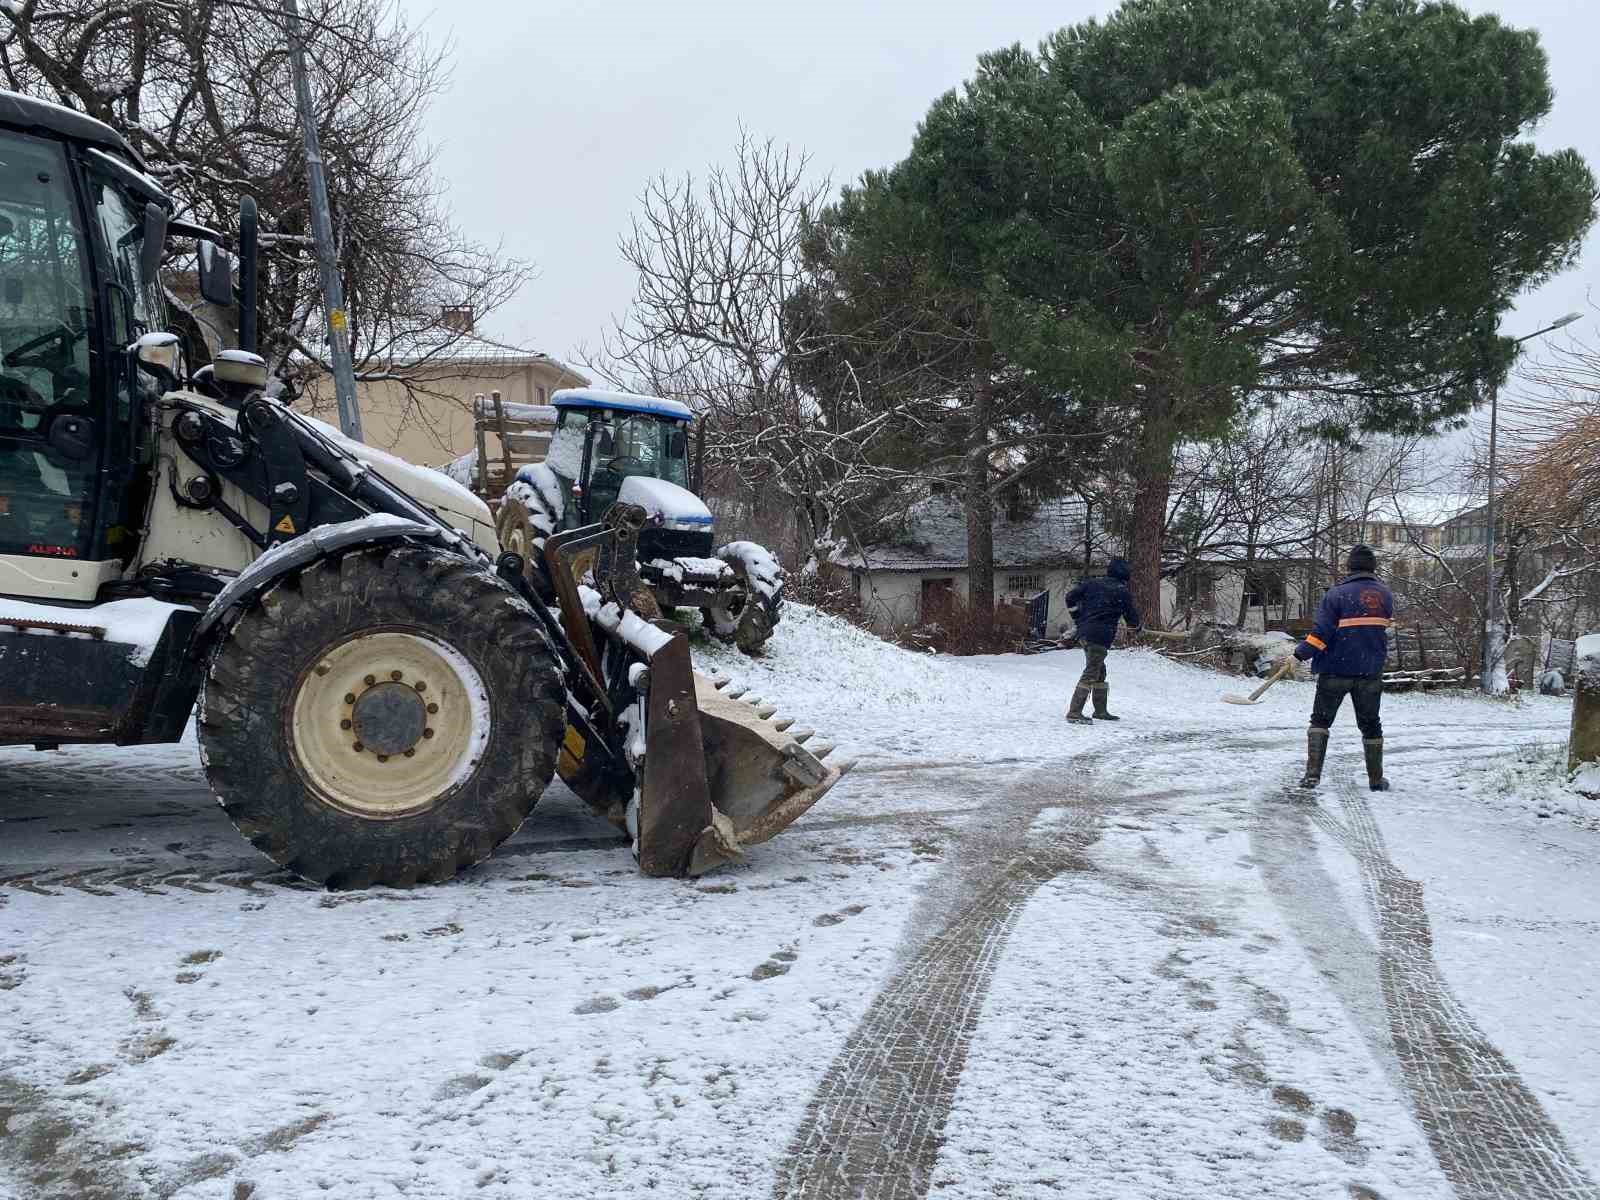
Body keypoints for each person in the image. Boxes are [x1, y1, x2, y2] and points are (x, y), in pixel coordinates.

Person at [1293, 545, 1394, 791]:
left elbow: (1322, 633)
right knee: (1371, 724)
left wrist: (1300, 654)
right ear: (1373, 567)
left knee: (1320, 721)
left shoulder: (1336, 595)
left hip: (1335, 669)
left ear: (1349, 566)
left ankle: (1312, 776)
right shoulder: (1385, 595)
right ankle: (1376, 780)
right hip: (1370, 671)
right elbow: (1385, 631)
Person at [1064, 557, 1142, 724]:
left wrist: (1077, 617)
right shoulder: (1122, 591)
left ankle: (1100, 711)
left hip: (1085, 632)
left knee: (1099, 669)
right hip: (1100, 635)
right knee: (1092, 671)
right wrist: (1136, 627)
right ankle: (1074, 712)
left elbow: (1070, 596)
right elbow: (1131, 617)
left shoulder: (1092, 583)